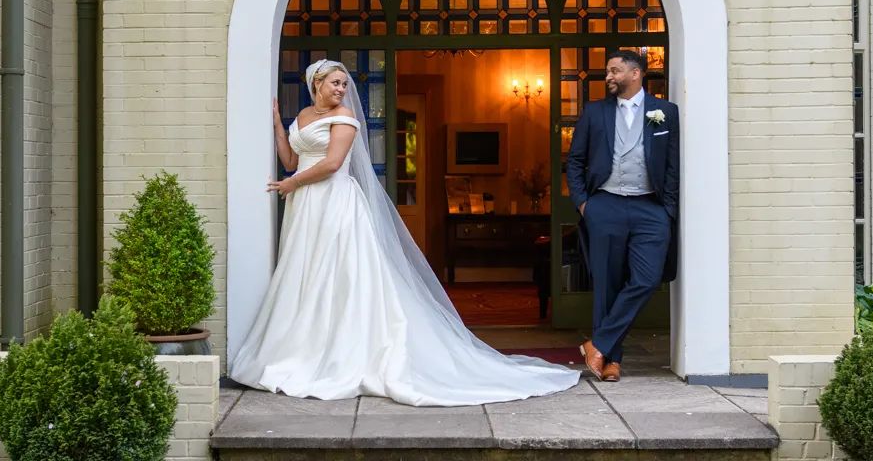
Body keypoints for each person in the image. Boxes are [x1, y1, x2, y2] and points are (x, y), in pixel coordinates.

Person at [229, 59, 579, 406]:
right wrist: (277, 125)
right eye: (334, 83)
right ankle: (301, 347)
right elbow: (291, 160)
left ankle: (341, 350)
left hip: (333, 201)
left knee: (336, 272)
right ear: (316, 84)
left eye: (343, 84)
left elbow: (333, 164)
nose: (341, 89)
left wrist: (293, 183)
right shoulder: (303, 117)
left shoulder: (346, 118)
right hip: (303, 204)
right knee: (303, 271)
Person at [565, 50, 679, 382]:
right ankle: (610, 360)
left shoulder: (664, 112)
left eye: (615, 71)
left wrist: (667, 211)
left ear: (636, 74)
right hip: (605, 206)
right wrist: (586, 204)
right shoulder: (595, 112)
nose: (608, 77)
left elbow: (672, 168)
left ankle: (597, 344)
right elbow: (575, 161)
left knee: (646, 279)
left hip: (650, 208)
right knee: (607, 285)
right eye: (607, 72)